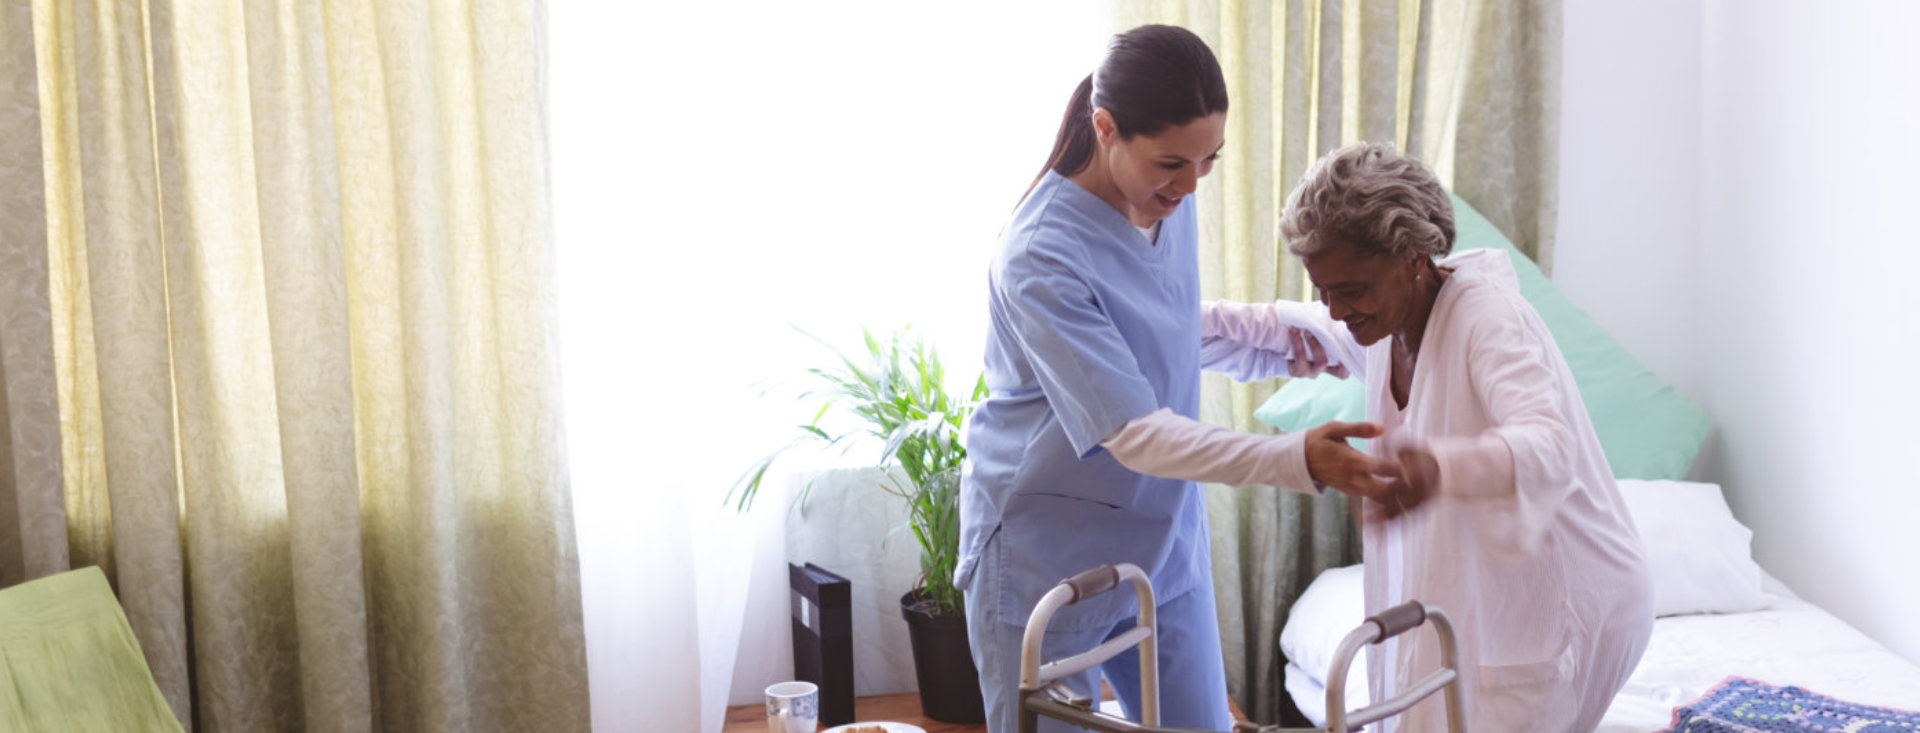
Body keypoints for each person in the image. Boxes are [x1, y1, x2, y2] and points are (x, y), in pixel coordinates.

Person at [956, 25, 1394, 733]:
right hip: (1050, 558)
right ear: (1106, 129)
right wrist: (1294, 456)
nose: (1191, 184)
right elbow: (1133, 432)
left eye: (1208, 160)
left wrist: (1285, 335)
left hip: (1162, 543)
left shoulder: (1166, 199)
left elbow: (1161, 323)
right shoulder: (1038, 254)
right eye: (1172, 163)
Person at [1201, 142, 1655, 732]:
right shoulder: (1387, 320)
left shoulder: (1485, 317)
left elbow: (1550, 445)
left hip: (1578, 601)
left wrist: (1439, 469)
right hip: (1504, 586)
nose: (1336, 311)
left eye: (1352, 289)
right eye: (1323, 289)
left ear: (1414, 256)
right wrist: (1156, 318)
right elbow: (1273, 331)